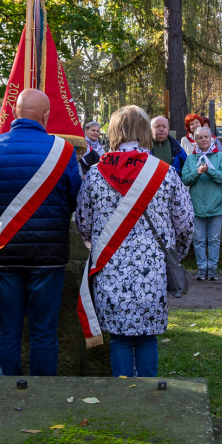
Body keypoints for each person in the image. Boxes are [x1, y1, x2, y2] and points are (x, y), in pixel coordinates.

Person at [75, 105, 193, 377]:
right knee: (147, 336)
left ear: (114, 131)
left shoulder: (95, 174)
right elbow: (185, 222)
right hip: (151, 268)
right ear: (144, 132)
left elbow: (83, 221)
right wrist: (177, 254)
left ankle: (123, 397)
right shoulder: (164, 172)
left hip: (109, 265)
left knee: (119, 337)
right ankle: (149, 396)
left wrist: (96, 246)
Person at [0, 89, 82, 377]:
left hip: (4, 253)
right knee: (44, 333)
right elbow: (74, 199)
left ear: (15, 113)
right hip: (48, 254)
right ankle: (41, 401)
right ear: (46, 116)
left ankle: (5, 400)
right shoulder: (63, 150)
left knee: (6, 334)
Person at [182, 124, 222, 281]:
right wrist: (197, 172)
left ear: (211, 139)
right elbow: (186, 179)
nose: (203, 140)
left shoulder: (220, 157)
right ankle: (202, 268)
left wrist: (208, 170)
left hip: (216, 204)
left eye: (206, 137)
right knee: (199, 239)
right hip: (196, 205)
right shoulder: (190, 158)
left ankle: (213, 268)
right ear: (195, 141)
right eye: (200, 138)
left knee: (214, 238)